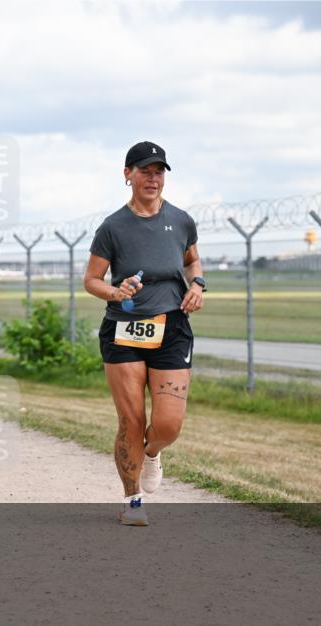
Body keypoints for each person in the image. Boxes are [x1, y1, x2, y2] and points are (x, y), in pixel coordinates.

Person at [83, 141, 205, 526]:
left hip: (171, 327)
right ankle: (132, 499)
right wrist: (115, 291)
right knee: (131, 420)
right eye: (144, 171)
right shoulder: (113, 227)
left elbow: (193, 259)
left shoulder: (182, 220)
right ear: (128, 175)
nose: (153, 178)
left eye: (159, 172)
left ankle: (151, 453)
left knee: (168, 424)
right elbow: (91, 280)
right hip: (124, 328)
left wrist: (197, 284)